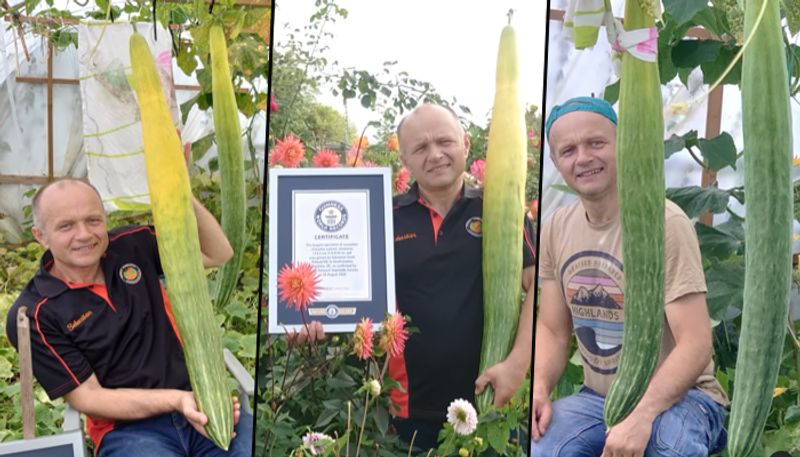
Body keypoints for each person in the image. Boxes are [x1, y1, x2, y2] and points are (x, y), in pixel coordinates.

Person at [296, 103, 537, 451]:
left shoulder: (501, 209)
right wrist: (308, 317)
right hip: (405, 411)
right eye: (420, 148)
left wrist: (517, 364)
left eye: (445, 141)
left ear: (466, 144)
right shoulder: (381, 216)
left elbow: (537, 288)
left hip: (490, 401)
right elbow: (343, 284)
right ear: (405, 161)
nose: (435, 154)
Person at [531, 96, 729, 457]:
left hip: (686, 399)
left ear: (621, 144)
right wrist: (540, 385)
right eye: (569, 150)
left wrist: (641, 416)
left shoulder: (664, 223)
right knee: (541, 446)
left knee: (669, 450)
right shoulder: (556, 228)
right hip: (600, 399)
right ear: (557, 161)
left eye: (596, 143)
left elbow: (696, 344)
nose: (584, 158)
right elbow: (552, 330)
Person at [5, 177, 253, 457]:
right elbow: (89, 397)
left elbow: (218, 253)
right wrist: (178, 401)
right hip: (129, 433)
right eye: (66, 226)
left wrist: (181, 187)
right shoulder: (35, 313)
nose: (84, 234)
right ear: (41, 236)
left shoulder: (134, 245)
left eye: (93, 220)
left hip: (202, 403)